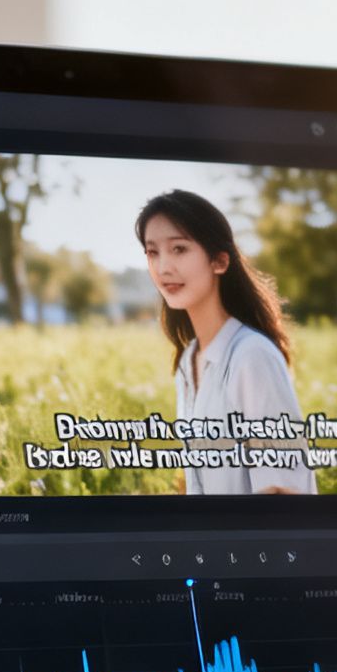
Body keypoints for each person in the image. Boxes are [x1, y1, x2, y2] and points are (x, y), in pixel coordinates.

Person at [136, 190, 315, 495]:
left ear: (219, 261)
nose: (163, 268)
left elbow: (282, 489)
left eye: (179, 249)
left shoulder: (252, 356)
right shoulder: (188, 360)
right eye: (153, 253)